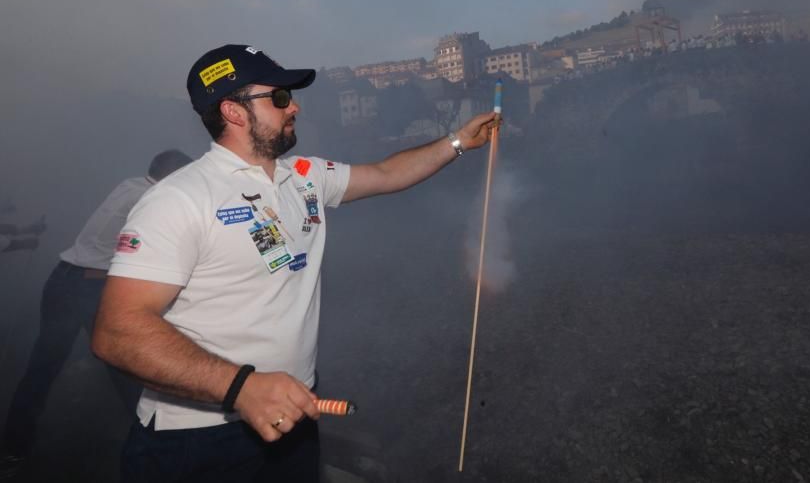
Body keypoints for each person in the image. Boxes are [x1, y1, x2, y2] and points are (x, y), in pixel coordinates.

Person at [91, 44, 498, 482]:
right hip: (198, 439)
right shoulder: (178, 200)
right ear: (233, 111)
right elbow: (118, 332)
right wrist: (241, 388)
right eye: (280, 97)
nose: (295, 105)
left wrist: (458, 141)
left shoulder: (303, 174)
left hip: (296, 414)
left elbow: (385, 173)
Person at [0, 151, 191, 477]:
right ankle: (159, 450)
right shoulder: (148, 200)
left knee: (43, 368)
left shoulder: (131, 185)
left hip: (63, 279)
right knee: (122, 366)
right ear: (172, 178)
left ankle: (13, 449)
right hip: (85, 287)